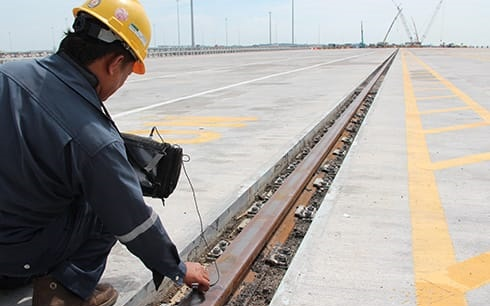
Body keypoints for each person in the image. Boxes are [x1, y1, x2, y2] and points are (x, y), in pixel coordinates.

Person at [0, 0, 209, 305]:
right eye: (127, 73)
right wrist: (177, 268)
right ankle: (66, 290)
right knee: (105, 202)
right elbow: (133, 221)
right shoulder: (96, 139)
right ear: (114, 64)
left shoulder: (8, 75)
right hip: (12, 262)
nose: (121, 82)